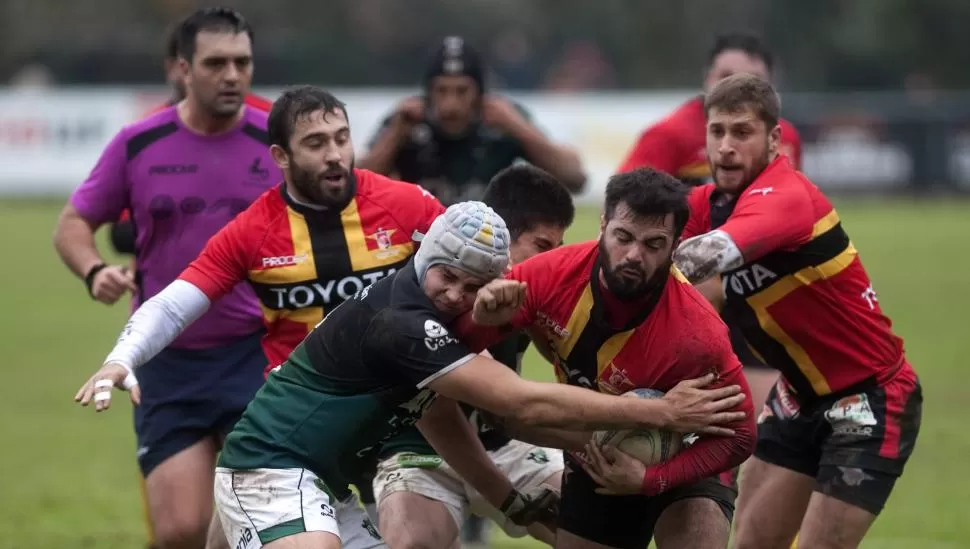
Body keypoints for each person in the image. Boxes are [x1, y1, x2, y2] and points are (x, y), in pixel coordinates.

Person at [82, 200, 747, 549]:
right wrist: (659, 413)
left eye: (473, 286)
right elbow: (517, 400)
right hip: (270, 468)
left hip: (320, 481)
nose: (457, 295)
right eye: (447, 276)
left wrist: (507, 498)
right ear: (424, 255)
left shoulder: (437, 319)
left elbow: (445, 414)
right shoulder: (406, 323)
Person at [74, 84, 447, 529]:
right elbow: (175, 304)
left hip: (398, 418)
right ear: (281, 157)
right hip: (298, 426)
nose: (334, 155)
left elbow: (475, 269)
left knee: (416, 534)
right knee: (213, 533)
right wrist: (122, 357)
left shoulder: (407, 205)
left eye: (341, 138)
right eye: (315, 143)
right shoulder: (253, 230)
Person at [57, 8, 280, 549]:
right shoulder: (138, 144)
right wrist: (94, 271)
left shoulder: (276, 140)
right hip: (166, 360)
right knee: (181, 530)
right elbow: (72, 225)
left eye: (242, 62)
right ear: (183, 68)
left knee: (259, 521)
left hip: (257, 353)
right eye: (216, 63)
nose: (232, 75)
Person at [672, 73, 923, 549]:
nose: (725, 147)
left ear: (774, 140)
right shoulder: (709, 203)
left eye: (742, 132)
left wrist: (637, 261)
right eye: (717, 131)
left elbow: (709, 255)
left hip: (870, 396)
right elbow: (633, 226)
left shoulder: (787, 197)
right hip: (797, 395)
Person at [451, 169, 757, 549]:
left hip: (688, 455)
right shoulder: (549, 276)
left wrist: (651, 479)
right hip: (598, 453)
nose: (634, 255)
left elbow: (742, 436)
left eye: (654, 244)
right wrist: (479, 320)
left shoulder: (698, 335)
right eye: (623, 237)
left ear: (675, 246)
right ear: (602, 226)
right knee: (515, 416)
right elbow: (449, 350)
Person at [372, 164, 575, 549]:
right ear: (503, 238)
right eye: (543, 246)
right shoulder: (436, 295)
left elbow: (563, 360)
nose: (552, 261)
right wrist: (509, 500)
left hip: (505, 444)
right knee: (413, 545)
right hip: (419, 451)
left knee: (594, 534)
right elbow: (446, 416)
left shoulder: (529, 285)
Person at [617, 31, 803, 451]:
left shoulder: (787, 137)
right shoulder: (668, 135)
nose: (737, 88)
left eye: (752, 81)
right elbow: (623, 211)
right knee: (697, 435)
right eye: (726, 76)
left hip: (762, 297)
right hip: (689, 297)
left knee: (764, 438)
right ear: (707, 79)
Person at [110, 18, 274, 258]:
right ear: (177, 68)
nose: (227, 75)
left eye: (238, 62)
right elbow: (122, 233)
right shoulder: (146, 133)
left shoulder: (270, 121)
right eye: (213, 63)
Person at [359, 35, 587, 206]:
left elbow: (575, 179)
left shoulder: (502, 122)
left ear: (480, 94)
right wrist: (394, 136)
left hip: (489, 243)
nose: (451, 105)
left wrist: (518, 127)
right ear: (427, 93)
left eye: (462, 91)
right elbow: (356, 187)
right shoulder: (407, 122)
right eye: (441, 91)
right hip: (420, 241)